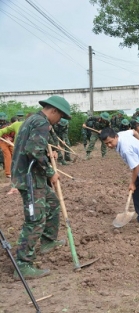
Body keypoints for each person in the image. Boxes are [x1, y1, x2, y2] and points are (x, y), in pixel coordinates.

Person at [11, 95, 71, 280]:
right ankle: (22, 265)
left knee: (52, 204)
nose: (59, 120)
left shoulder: (32, 120)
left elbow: (34, 147)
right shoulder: (41, 122)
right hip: (30, 179)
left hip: (32, 177)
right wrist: (50, 171)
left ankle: (48, 241)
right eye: (60, 116)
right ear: (53, 111)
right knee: (35, 220)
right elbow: (33, 151)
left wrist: (47, 153)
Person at [100, 127, 139, 234]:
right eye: (106, 144)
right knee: (136, 192)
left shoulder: (125, 148)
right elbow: (134, 132)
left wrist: (132, 182)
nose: (109, 145)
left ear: (116, 136)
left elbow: (136, 166)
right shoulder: (121, 134)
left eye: (110, 142)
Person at [0, 112, 14, 178]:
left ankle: (15, 170)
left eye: (3, 119)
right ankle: (8, 173)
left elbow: (13, 132)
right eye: (1, 119)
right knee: (7, 156)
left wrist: (11, 138)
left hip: (10, 141)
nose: (2, 120)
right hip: (2, 141)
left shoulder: (9, 124)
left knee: (15, 154)